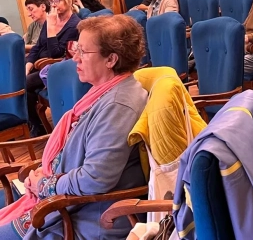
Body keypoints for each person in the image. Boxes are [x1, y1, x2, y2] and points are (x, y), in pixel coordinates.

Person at [0, 15, 148, 239]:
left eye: (83, 51)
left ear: (111, 60)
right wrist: (45, 172)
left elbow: (95, 178)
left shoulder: (119, 104)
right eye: (75, 48)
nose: (74, 58)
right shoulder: (104, 91)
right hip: (69, 204)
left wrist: (45, 185)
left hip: (87, 217)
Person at [25, 0, 81, 136]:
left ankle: (36, 127)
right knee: (21, 81)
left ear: (68, 0)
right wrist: (28, 65)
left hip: (55, 67)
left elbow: (56, 53)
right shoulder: (51, 19)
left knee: (23, 85)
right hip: (39, 64)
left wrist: (51, 28)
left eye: (58, 0)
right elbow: (37, 47)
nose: (54, 5)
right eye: (52, 1)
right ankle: (35, 125)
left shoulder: (74, 24)